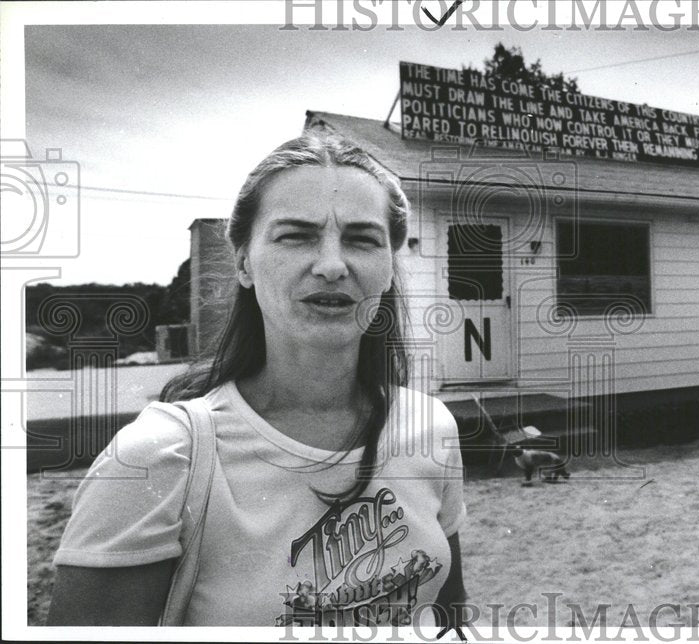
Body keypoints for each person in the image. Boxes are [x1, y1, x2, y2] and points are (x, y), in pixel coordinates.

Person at [47, 132, 468, 627]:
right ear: (245, 262)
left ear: (389, 268)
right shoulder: (156, 460)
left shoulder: (430, 426)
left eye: (362, 239)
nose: (333, 265)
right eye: (296, 235)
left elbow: (450, 615)